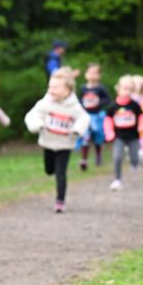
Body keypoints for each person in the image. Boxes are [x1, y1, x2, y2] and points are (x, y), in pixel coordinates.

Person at [24, 68, 89, 213]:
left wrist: (77, 129)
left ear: (67, 89)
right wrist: (37, 125)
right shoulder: (45, 103)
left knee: (61, 172)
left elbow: (84, 118)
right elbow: (32, 115)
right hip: (48, 142)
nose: (51, 90)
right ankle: (52, 172)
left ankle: (60, 201)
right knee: (49, 170)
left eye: (56, 87)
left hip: (65, 144)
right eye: (50, 86)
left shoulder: (74, 106)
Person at [105, 75, 143, 191]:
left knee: (135, 158)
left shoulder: (134, 105)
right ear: (118, 88)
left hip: (133, 136)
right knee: (117, 157)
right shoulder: (113, 106)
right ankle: (117, 179)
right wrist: (109, 133)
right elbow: (108, 120)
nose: (126, 92)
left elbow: (141, 117)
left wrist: (142, 128)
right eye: (124, 88)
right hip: (119, 136)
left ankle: (135, 162)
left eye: (129, 89)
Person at [75, 63, 110, 171]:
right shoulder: (83, 88)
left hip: (97, 116)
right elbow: (79, 100)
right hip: (86, 116)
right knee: (85, 136)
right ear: (86, 74)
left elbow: (108, 100)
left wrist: (99, 101)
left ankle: (98, 156)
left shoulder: (101, 88)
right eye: (90, 72)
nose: (92, 75)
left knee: (97, 137)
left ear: (99, 75)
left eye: (95, 73)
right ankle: (84, 159)